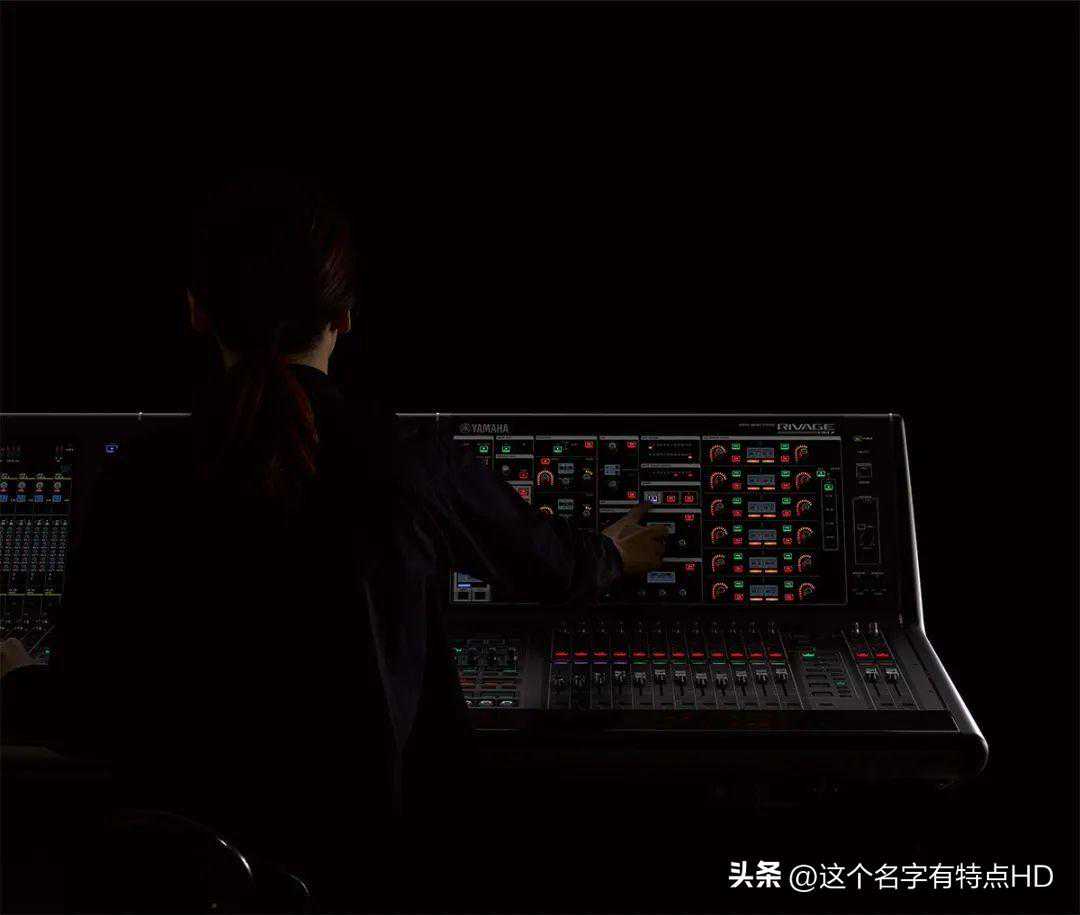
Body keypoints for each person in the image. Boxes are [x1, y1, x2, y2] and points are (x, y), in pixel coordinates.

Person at [34, 173, 668, 906]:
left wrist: (17, 675)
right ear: (343, 316)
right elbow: (550, 567)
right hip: (372, 875)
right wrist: (612, 552)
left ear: (197, 311)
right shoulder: (410, 460)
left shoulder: (133, 482)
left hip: (186, 885)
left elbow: (79, 713)